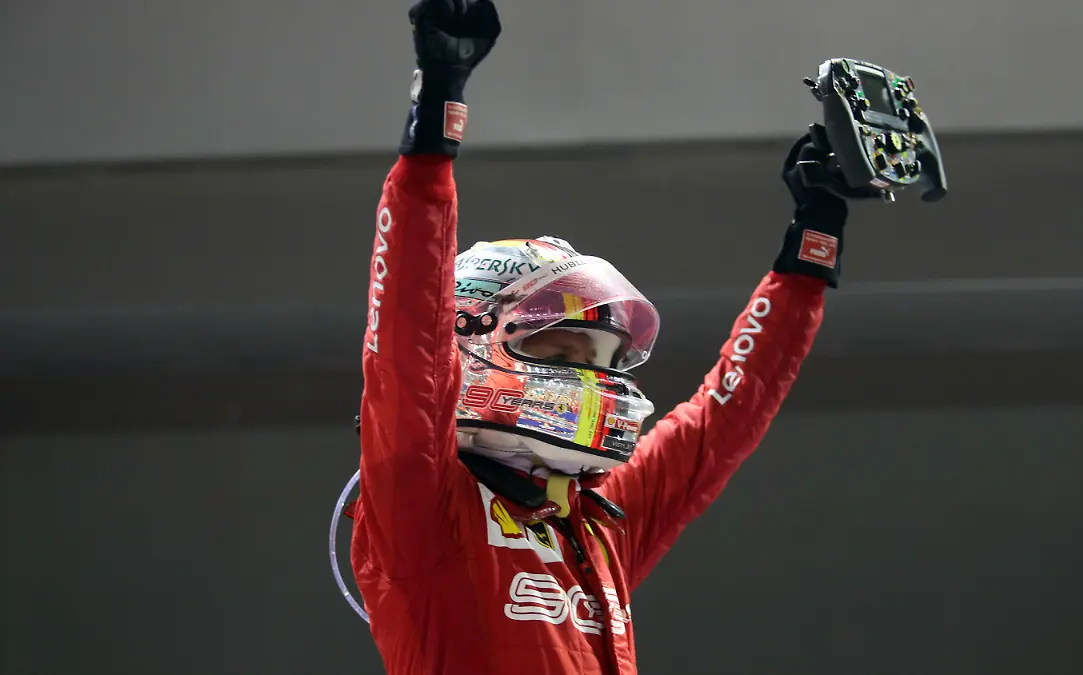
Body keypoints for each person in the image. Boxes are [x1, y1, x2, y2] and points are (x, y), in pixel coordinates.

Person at [349, 1, 859, 673]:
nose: (594, 381)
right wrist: (437, 110)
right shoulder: (422, 512)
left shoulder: (599, 521)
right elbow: (408, 342)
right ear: (468, 340)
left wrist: (813, 239)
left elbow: (724, 419)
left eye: (603, 360)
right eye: (565, 352)